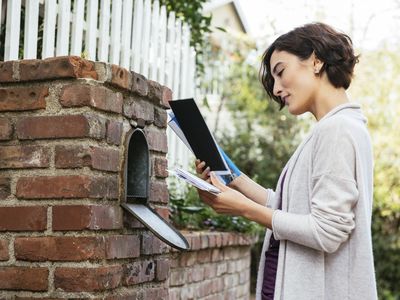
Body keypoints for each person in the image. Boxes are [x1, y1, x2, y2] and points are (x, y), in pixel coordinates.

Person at [195, 22, 377, 300]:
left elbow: (326, 231)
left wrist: (242, 209)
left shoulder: (337, 130)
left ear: (316, 61)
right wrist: (234, 180)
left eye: (280, 72)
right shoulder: (332, 129)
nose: (277, 89)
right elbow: (288, 208)